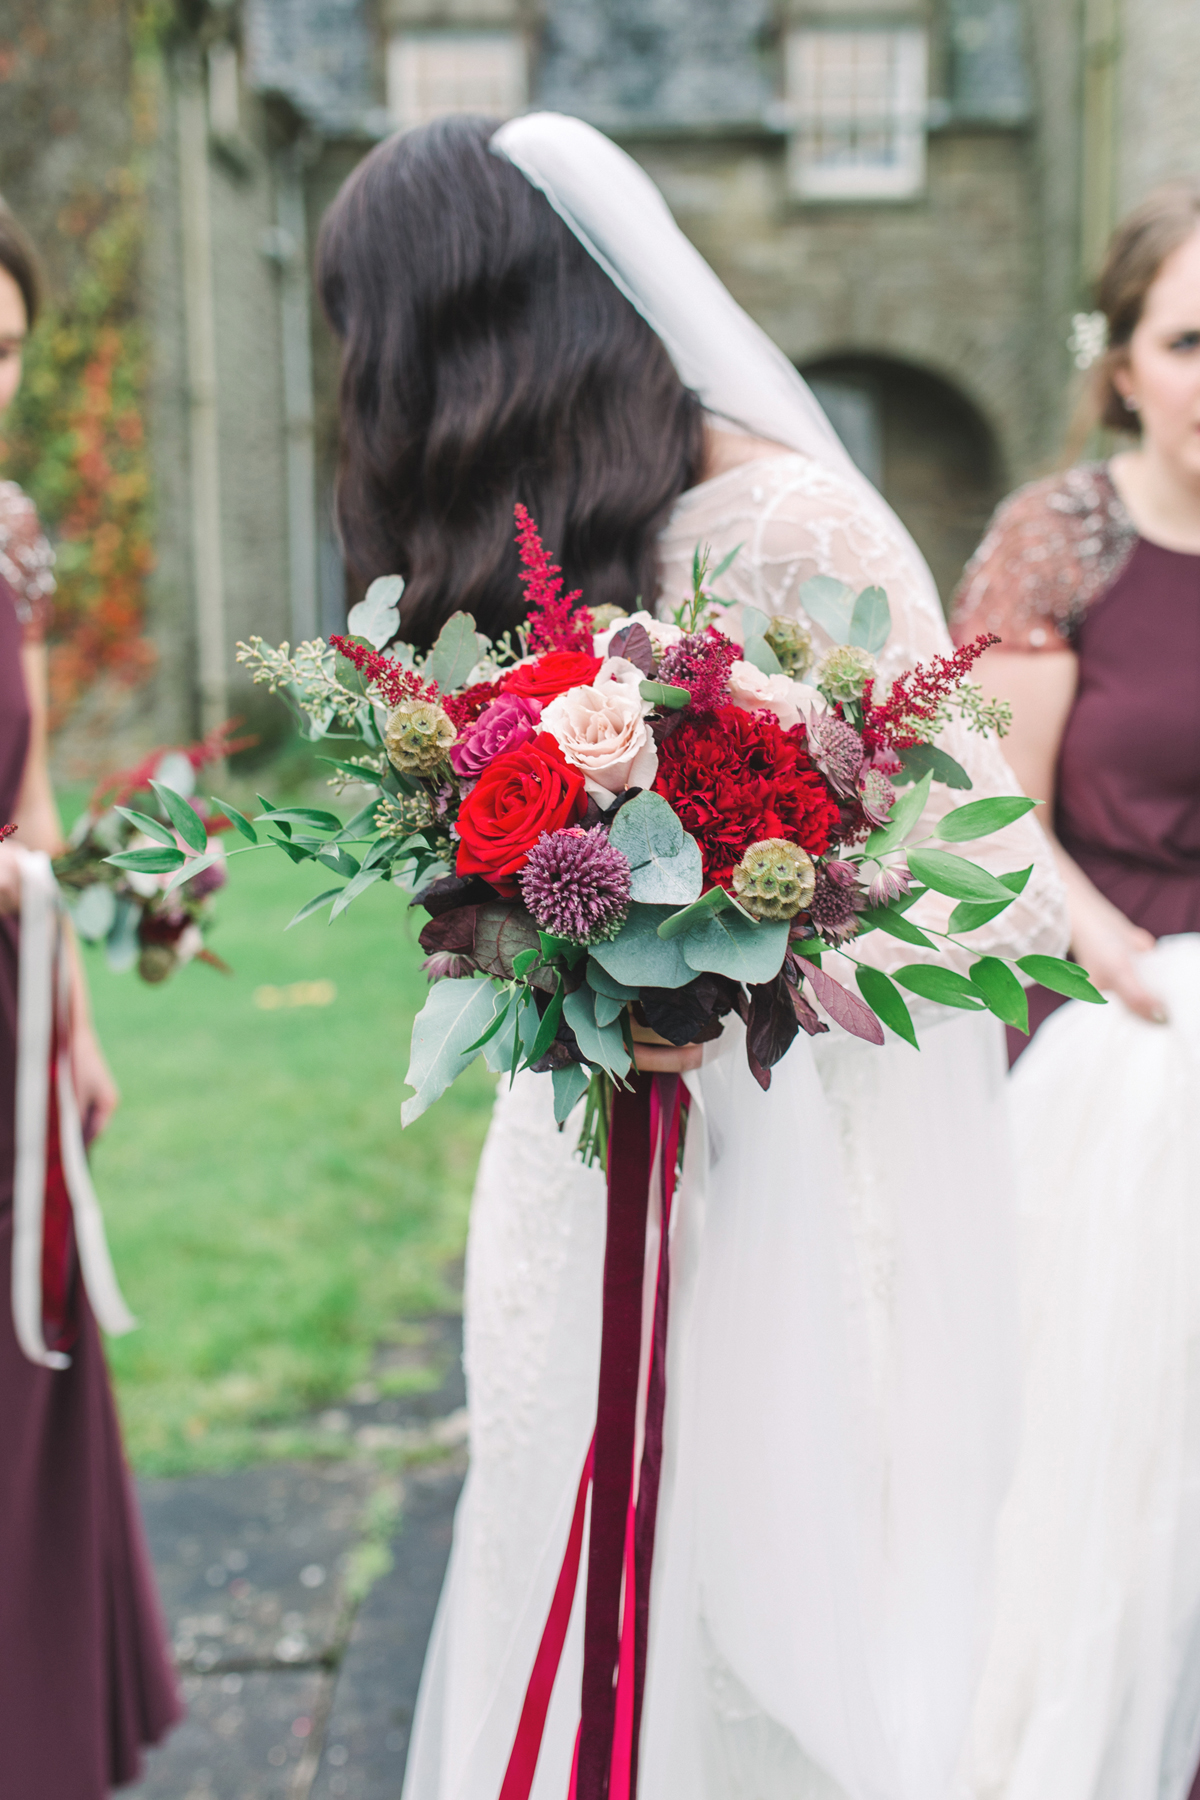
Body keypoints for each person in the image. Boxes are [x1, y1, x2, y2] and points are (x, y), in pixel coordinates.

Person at [318, 113, 1067, 1800]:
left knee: (746, 1642)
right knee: (550, 1553)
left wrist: (728, 975)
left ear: (475, 328)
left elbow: (993, 891)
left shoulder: (795, 525)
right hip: (573, 1184)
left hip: (782, 1189)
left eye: (374, 337)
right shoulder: (535, 560)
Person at [950, 182, 1200, 1800]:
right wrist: (1124, 961)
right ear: (1120, 366)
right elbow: (986, 808)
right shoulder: (1064, 539)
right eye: (1191, 339)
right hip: (1120, 1040)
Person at [0, 200, 181, 1792]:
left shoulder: (7, 532)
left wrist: (79, 1027)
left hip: (7, 1021)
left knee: (32, 1343)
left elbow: (34, 798)